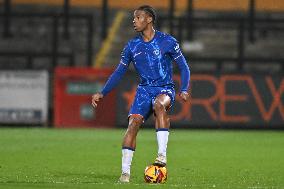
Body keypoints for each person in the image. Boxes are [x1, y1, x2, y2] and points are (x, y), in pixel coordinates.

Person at [92, 5, 190, 183]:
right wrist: (103, 92)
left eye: (138, 17)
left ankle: (161, 155)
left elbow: (184, 67)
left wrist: (183, 89)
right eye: (134, 18)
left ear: (149, 19)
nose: (134, 21)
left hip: (164, 88)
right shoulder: (131, 46)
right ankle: (125, 174)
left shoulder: (168, 41)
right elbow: (119, 72)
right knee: (133, 124)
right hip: (144, 91)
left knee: (160, 105)